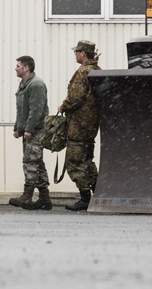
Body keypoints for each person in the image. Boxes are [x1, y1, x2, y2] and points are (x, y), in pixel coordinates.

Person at [58, 40, 100, 211]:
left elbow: (76, 98)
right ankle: (98, 193)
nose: (75, 54)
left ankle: (85, 198)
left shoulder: (83, 72)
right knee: (87, 160)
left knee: (75, 161)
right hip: (91, 125)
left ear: (83, 53)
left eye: (76, 51)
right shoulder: (97, 70)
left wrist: (63, 106)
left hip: (79, 124)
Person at [9, 55, 51, 210]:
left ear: (26, 68)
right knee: (37, 162)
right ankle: (44, 199)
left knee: (30, 162)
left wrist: (29, 129)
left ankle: (27, 195)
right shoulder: (24, 84)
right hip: (29, 130)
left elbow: (36, 109)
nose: (16, 68)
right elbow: (21, 109)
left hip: (36, 130)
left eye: (18, 66)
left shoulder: (36, 84)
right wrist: (17, 127)